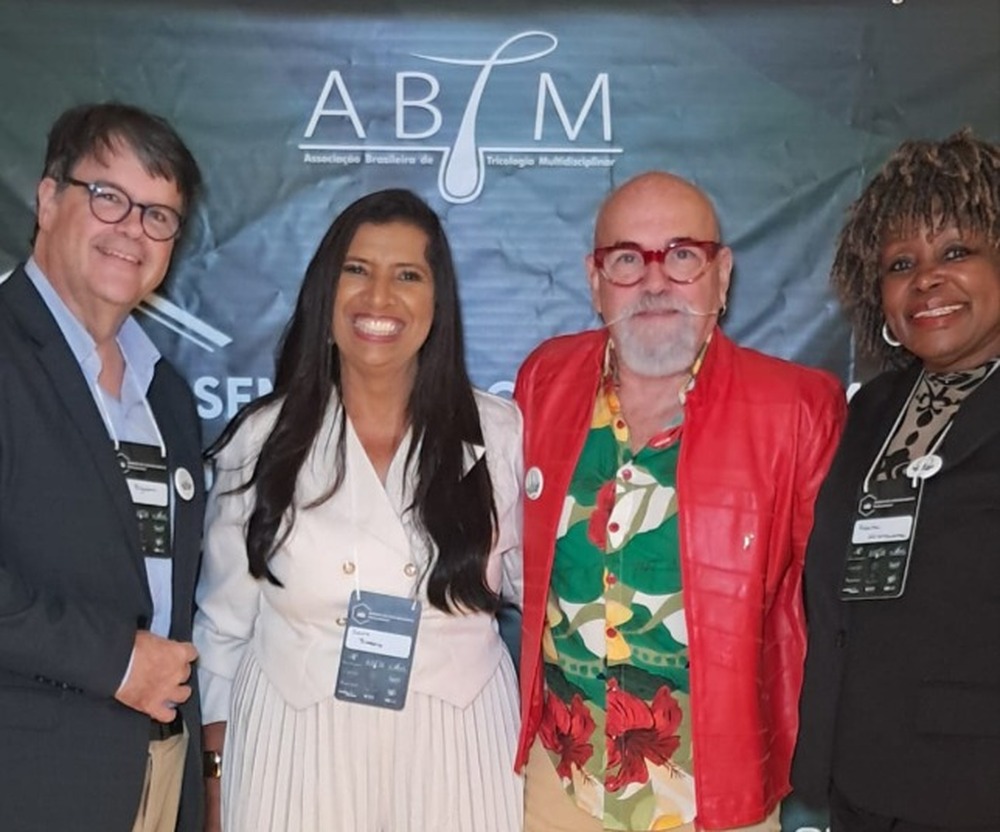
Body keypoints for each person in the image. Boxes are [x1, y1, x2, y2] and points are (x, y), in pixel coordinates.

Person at [513, 171, 846, 832]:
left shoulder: (797, 410)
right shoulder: (544, 380)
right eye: (628, 258)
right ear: (595, 279)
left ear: (721, 276)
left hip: (713, 799)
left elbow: (831, 615)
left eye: (683, 255)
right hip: (561, 785)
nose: (656, 282)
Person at [193, 188, 523, 832]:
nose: (379, 298)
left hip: (455, 751)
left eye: (407, 275)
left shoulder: (499, 435)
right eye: (357, 270)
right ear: (326, 290)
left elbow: (541, 597)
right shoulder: (259, 443)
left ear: (437, 302)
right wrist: (216, 789)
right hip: (292, 749)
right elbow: (223, 633)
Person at [0, 103, 205, 831]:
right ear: (49, 198)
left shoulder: (168, 396)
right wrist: (117, 660)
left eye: (158, 215)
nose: (132, 230)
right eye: (109, 197)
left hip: (154, 777)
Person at [792, 131, 1000, 831]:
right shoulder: (872, 408)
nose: (927, 279)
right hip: (858, 781)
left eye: (957, 252)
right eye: (901, 263)